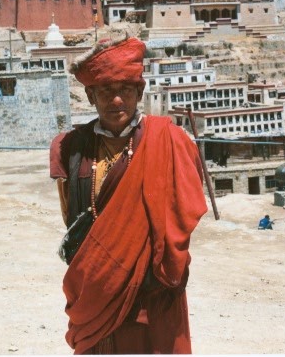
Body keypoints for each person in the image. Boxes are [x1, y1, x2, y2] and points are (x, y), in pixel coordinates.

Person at [50, 34, 207, 354]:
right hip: (95, 293)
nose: (116, 99)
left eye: (125, 89)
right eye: (106, 90)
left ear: (139, 91)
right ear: (90, 95)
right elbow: (72, 219)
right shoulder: (70, 148)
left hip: (152, 295)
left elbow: (184, 213)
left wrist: (158, 272)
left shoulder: (169, 141)